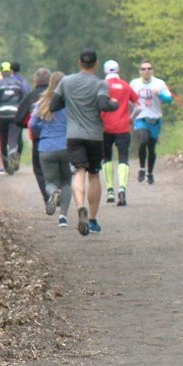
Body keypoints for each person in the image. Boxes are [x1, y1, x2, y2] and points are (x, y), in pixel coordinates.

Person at [49, 48, 118, 235]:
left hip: (74, 135)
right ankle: (93, 221)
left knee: (78, 172)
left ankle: (80, 207)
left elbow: (53, 105)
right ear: (96, 64)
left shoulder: (66, 81)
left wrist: (70, 102)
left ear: (79, 63)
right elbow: (103, 105)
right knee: (94, 175)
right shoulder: (100, 84)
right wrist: (114, 104)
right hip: (94, 136)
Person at [29, 71, 72, 227]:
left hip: (46, 147)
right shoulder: (70, 103)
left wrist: (43, 133)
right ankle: (63, 217)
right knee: (66, 181)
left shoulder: (42, 102)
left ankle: (53, 194)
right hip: (66, 146)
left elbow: (32, 124)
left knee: (50, 181)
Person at [100, 59, 139, 206]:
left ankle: (110, 190)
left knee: (106, 158)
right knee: (123, 158)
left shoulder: (102, 86)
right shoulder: (126, 86)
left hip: (105, 127)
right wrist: (131, 118)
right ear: (119, 70)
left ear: (104, 71)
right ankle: (122, 188)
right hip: (123, 127)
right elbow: (139, 106)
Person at [131, 59, 172, 184]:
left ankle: (150, 173)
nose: (146, 71)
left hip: (155, 119)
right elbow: (126, 97)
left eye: (149, 68)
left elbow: (169, 99)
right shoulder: (134, 83)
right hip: (140, 118)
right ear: (140, 71)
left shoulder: (159, 83)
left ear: (152, 70)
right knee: (143, 141)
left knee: (151, 147)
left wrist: (159, 94)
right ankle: (142, 169)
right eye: (143, 69)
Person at [16, 67, 51, 204]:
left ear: (35, 80)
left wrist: (28, 125)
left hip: (38, 138)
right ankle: (57, 190)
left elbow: (18, 118)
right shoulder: (56, 95)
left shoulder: (31, 96)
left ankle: (48, 197)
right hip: (59, 139)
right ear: (50, 80)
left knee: (39, 169)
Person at [0, 61, 29, 174]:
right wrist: (21, 107)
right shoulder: (19, 83)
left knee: (3, 139)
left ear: (2, 72)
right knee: (14, 136)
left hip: (2, 112)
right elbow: (25, 95)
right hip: (15, 112)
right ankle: (12, 150)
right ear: (11, 71)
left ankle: (6, 166)